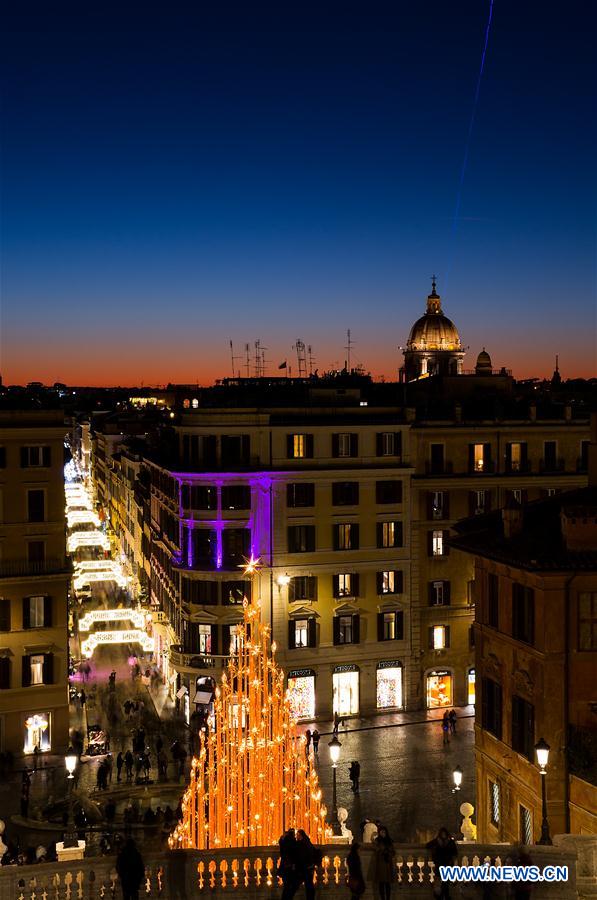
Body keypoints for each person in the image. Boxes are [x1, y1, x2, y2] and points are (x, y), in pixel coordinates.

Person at [426, 828, 458, 900]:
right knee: (442, 882)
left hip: (447, 863)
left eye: (444, 834)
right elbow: (427, 845)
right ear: (440, 834)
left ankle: (443, 896)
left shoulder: (450, 842)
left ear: (446, 834)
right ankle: (444, 896)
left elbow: (455, 852)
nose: (443, 835)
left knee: (445, 882)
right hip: (440, 863)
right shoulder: (437, 841)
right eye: (442, 834)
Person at [368, 825, 396, 900]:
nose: (383, 833)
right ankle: (383, 898)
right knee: (381, 883)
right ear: (379, 833)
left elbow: (393, 852)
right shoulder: (377, 841)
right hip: (380, 864)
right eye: (381, 832)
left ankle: (388, 898)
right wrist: (382, 850)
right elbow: (375, 848)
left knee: (387, 884)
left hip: (388, 864)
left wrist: (388, 853)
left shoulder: (389, 841)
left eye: (384, 832)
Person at [295, 829, 320, 900]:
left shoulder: (305, 844)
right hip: (305, 868)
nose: (297, 836)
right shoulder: (304, 843)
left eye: (298, 835)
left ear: (302, 836)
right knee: (308, 885)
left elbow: (310, 854)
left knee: (308, 885)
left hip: (306, 868)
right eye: (297, 835)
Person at [278, 828, 298, 900]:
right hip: (289, 867)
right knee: (290, 885)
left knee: (287, 885)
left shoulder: (283, 841)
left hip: (284, 866)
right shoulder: (291, 841)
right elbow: (293, 854)